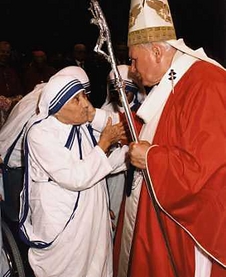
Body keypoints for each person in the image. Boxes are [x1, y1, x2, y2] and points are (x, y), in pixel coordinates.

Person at [113, 0, 226, 276]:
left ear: (158, 52)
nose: (133, 71)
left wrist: (150, 158)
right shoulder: (174, 79)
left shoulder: (206, 83)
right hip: (161, 214)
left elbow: (206, 171)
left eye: (135, 61)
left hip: (190, 232)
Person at [18, 67, 129, 277]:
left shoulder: (79, 127)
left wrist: (128, 156)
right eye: (76, 99)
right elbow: (75, 177)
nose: (86, 104)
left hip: (91, 219)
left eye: (84, 96)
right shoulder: (40, 133)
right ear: (57, 106)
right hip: (63, 224)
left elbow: (98, 166)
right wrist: (104, 142)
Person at [0, 66, 92, 277]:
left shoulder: (47, 97)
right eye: (79, 96)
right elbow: (14, 134)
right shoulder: (43, 106)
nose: (84, 102)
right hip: (16, 166)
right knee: (19, 222)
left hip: (27, 165)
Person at [102, 64, 145, 231]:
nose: (120, 96)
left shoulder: (144, 113)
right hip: (113, 178)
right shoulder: (105, 111)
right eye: (116, 92)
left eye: (125, 92)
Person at [0, 40, 23, 128]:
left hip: (11, 111)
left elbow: (19, 91)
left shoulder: (11, 71)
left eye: (7, 52)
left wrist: (15, 100)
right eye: (2, 52)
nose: (5, 54)